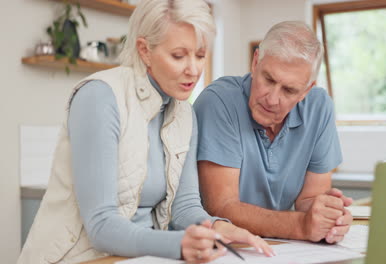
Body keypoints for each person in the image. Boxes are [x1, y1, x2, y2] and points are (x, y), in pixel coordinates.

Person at [17, 1, 273, 263]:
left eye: (199, 55)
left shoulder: (185, 113)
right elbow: (101, 225)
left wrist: (220, 227)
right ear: (144, 50)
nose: (193, 70)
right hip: (76, 257)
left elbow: (184, 207)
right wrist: (179, 244)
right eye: (178, 56)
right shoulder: (100, 97)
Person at [194, 21, 353, 244]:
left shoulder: (319, 108)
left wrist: (326, 216)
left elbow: (309, 199)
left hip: (277, 246)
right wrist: (301, 225)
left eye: (289, 90)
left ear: (307, 90)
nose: (272, 99)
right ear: (255, 61)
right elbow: (221, 207)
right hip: (220, 245)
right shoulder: (218, 102)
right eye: (268, 79)